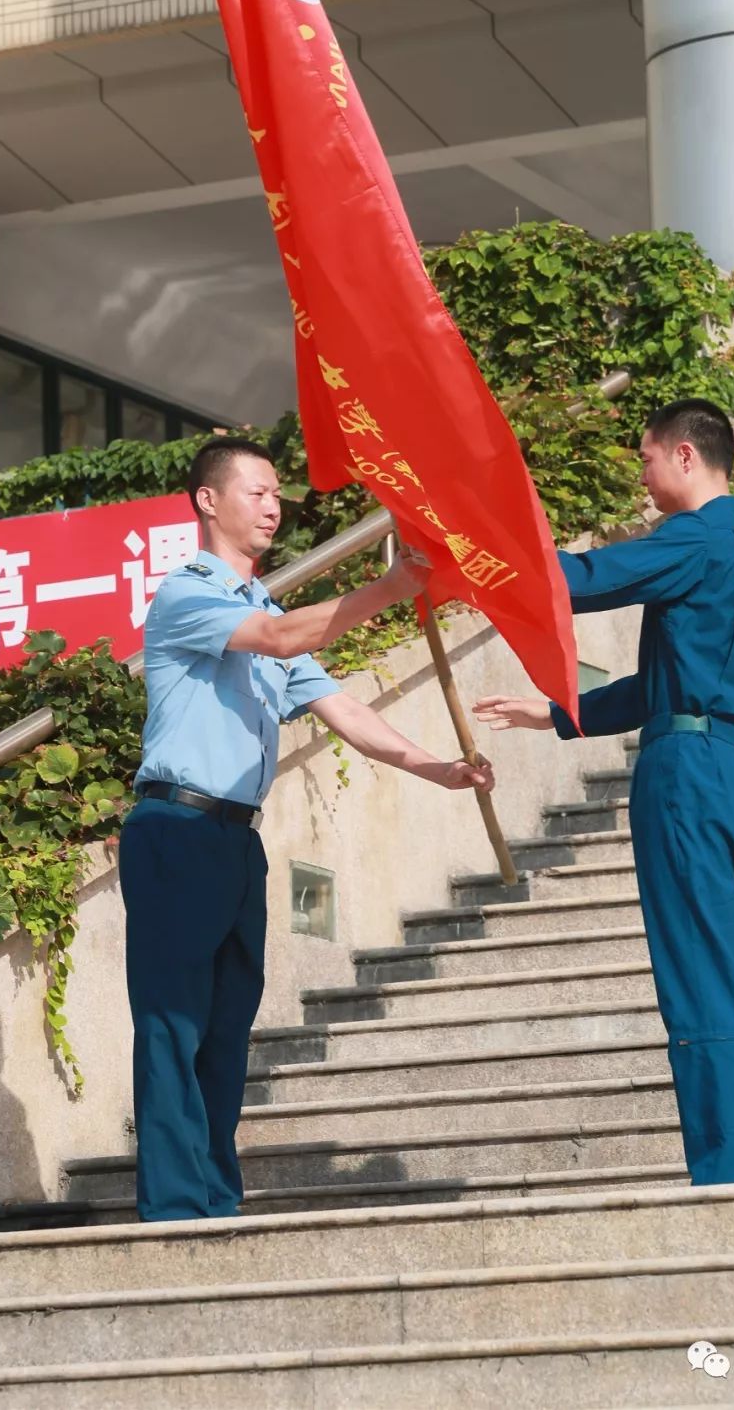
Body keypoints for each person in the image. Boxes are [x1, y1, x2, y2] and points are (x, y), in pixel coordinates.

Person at [120, 434, 494, 1223]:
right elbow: (285, 642)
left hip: (234, 842)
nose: (271, 503)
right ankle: (176, 1209)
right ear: (207, 501)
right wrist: (388, 590)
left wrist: (441, 770)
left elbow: (347, 714)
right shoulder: (189, 594)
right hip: (176, 829)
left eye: (275, 491)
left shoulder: (266, 608)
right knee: (171, 1025)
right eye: (254, 489)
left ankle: (215, 1200)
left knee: (225, 1033)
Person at [474, 398, 734, 1187]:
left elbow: (581, 580)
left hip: (688, 778)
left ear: (687, 456)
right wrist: (556, 715)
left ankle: (732, 1182)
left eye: (647, 459)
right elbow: (663, 681)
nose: (642, 478)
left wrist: (473, 557)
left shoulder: (698, 537)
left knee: (702, 985)